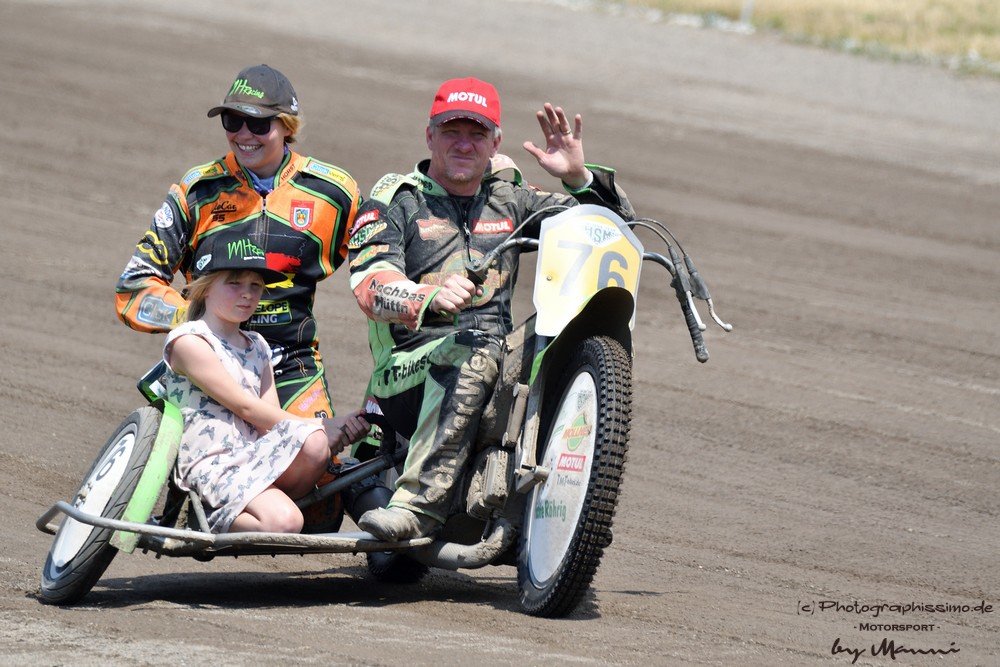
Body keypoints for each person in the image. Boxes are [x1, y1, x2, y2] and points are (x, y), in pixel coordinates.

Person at [347, 77, 635, 540]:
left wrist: (579, 178)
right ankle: (418, 505)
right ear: (430, 136)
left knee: (563, 334)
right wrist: (425, 297)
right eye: (451, 131)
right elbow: (368, 284)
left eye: (477, 133)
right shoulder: (397, 199)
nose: (464, 144)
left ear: (495, 142)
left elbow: (613, 230)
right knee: (469, 348)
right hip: (405, 372)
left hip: (495, 358)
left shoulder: (510, 200)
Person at [116, 64, 360, 421]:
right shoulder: (198, 190)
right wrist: (200, 318)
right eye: (232, 121)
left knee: (317, 467)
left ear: (286, 126)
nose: (244, 133)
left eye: (259, 124)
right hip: (212, 355)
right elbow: (133, 287)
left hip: (291, 363)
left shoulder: (334, 192)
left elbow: (381, 264)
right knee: (196, 468)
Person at [163, 229, 369, 533]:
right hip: (212, 463)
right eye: (234, 283)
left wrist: (332, 433)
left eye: (255, 286)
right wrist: (318, 426)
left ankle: (263, 505)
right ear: (205, 287)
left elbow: (269, 423)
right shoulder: (189, 341)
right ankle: (203, 518)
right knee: (287, 520)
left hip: (251, 458)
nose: (247, 294)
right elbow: (246, 407)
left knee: (315, 447)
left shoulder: (257, 345)